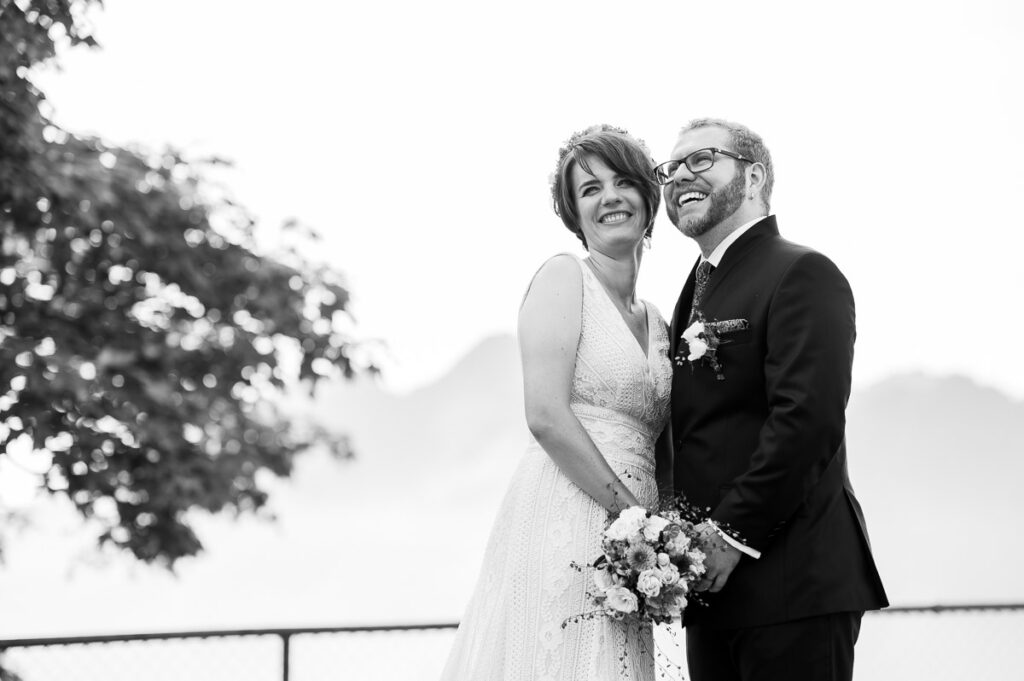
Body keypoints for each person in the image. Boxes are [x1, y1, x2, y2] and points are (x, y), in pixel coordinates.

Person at [657, 118, 889, 681]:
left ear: (754, 175)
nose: (679, 176)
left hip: (793, 583)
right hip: (713, 592)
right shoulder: (694, 289)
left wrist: (728, 534)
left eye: (701, 159)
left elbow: (805, 422)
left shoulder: (803, 272)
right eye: (670, 168)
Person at [440, 125, 673, 680]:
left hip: (638, 545)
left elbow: (664, 439)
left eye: (622, 182)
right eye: (589, 190)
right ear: (574, 214)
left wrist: (667, 534)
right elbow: (545, 415)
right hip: (563, 515)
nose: (609, 197)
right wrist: (631, 515)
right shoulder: (563, 278)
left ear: (648, 195)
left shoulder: (661, 322)